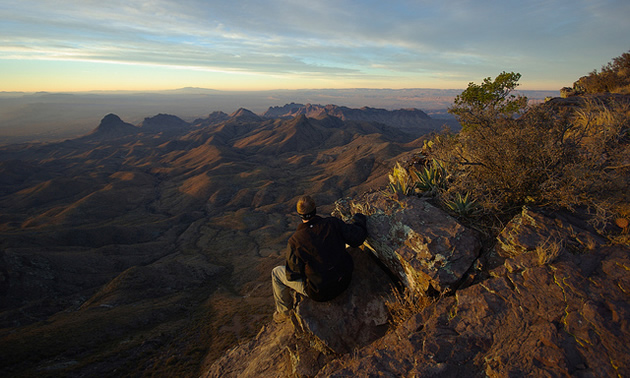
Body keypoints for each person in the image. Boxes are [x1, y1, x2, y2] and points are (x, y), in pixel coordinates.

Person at [271, 195, 367, 323]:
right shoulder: (332, 223)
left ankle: (284, 313)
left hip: (319, 293)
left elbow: (291, 275)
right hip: (345, 280)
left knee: (276, 273)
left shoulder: (295, 241)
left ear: (299, 214)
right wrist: (359, 220)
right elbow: (357, 238)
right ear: (315, 209)